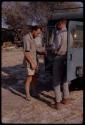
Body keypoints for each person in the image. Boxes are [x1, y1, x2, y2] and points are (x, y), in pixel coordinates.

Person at [50, 19, 73, 109]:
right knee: (65, 79)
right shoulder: (70, 34)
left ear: (61, 24)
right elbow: (71, 45)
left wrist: (51, 48)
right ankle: (66, 98)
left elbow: (55, 47)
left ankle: (58, 102)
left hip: (59, 57)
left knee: (56, 80)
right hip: (67, 58)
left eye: (58, 24)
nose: (57, 25)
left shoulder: (59, 34)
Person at [23, 26, 45, 101]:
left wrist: (43, 52)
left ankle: (34, 92)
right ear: (33, 31)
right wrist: (32, 63)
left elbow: (35, 50)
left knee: (35, 78)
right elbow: (26, 53)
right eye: (38, 33)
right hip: (30, 62)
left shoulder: (33, 38)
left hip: (35, 61)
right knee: (29, 78)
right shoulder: (26, 38)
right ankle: (27, 94)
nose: (38, 35)